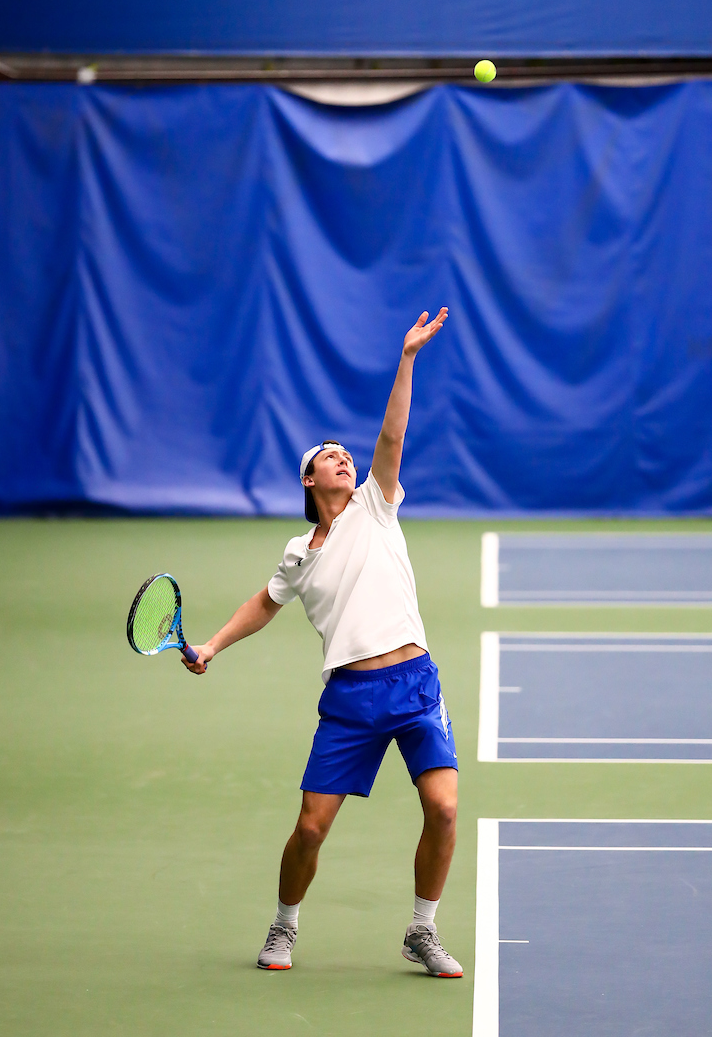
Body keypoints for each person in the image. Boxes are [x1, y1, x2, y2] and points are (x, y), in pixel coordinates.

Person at [184, 308, 461, 978]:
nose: (344, 459)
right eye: (328, 458)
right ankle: (284, 926)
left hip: (415, 682)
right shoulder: (297, 553)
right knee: (311, 827)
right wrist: (214, 645)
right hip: (352, 698)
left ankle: (422, 930)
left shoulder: (377, 503)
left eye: (346, 455)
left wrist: (408, 358)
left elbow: (392, 433)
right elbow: (264, 603)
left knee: (444, 808)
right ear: (310, 482)